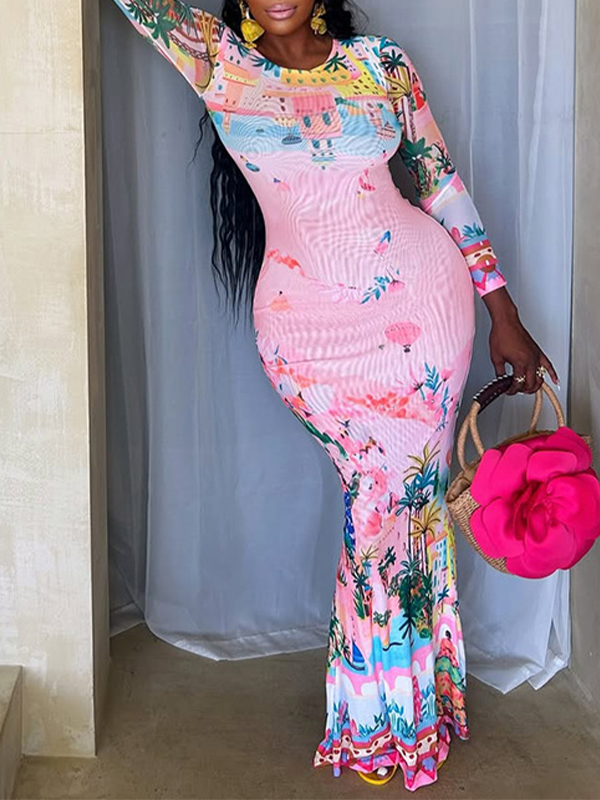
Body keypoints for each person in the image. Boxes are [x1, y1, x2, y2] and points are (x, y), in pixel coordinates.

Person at [108, 0, 560, 790]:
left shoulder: (379, 64)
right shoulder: (219, 61)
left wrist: (504, 312)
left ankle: (399, 714)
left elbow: (440, 182)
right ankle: (390, 710)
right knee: (379, 499)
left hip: (422, 308)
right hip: (308, 332)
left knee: (408, 502)